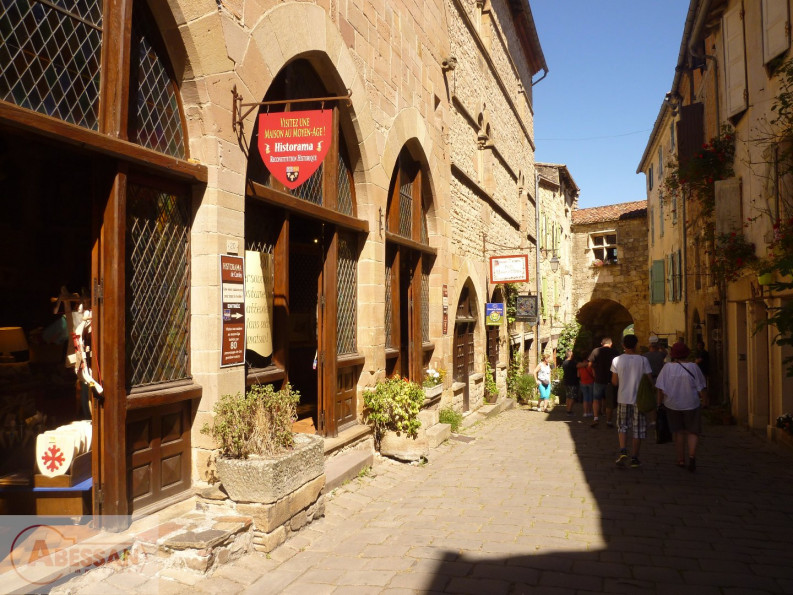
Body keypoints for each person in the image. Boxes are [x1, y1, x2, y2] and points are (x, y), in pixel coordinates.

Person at [655, 341, 707, 472]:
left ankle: (681, 459)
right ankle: (692, 456)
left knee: (678, 432)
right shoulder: (694, 367)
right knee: (693, 431)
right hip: (691, 403)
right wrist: (705, 401)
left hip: (673, 404)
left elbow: (660, 388)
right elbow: (701, 387)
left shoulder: (667, 368)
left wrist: (659, 403)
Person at [610, 334, 653, 468]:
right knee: (638, 428)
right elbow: (649, 380)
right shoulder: (643, 360)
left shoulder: (617, 360)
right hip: (639, 399)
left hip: (623, 397)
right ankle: (634, 457)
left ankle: (623, 450)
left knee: (622, 425)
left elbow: (614, 382)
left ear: (623, 345)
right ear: (636, 345)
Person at [587, 337, 619, 427]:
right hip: (610, 380)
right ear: (611, 344)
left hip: (599, 379)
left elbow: (589, 365)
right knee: (609, 401)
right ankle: (608, 421)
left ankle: (596, 418)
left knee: (596, 399)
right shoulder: (615, 352)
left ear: (602, 343)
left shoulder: (596, 351)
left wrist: (594, 370)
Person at [561, 349, 579, 415]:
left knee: (568, 396)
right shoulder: (572, 362)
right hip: (572, 381)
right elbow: (579, 365)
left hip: (566, 381)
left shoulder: (564, 362)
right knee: (572, 397)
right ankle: (569, 411)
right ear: (571, 355)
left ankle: (567, 409)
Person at [578, 353, 595, 418]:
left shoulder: (580, 366)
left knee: (585, 397)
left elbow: (578, 375)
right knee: (590, 397)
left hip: (583, 382)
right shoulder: (591, 365)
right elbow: (594, 374)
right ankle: (590, 412)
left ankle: (585, 412)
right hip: (591, 382)